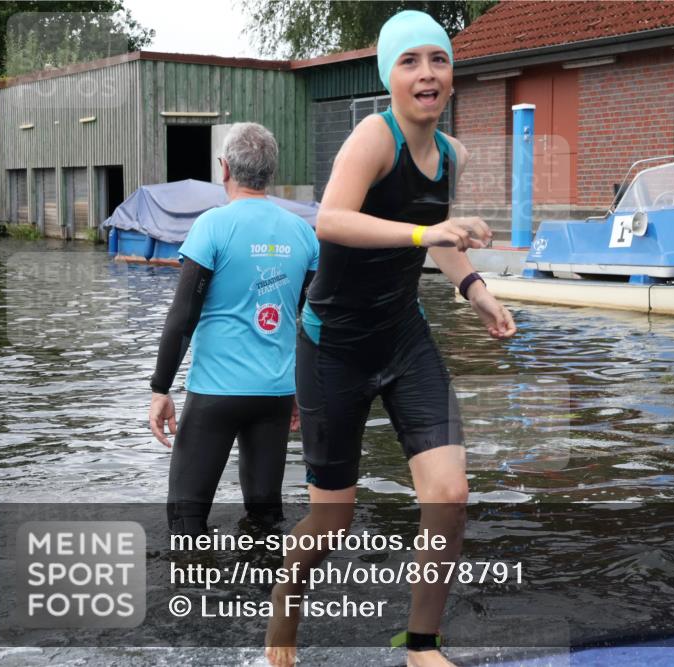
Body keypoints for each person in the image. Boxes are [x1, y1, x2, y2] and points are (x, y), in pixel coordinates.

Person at [264, 10, 516, 667]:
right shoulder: (372, 140)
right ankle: (282, 617)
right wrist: (422, 236)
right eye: (410, 61)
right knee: (332, 522)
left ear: (452, 76)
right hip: (334, 347)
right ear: (391, 76)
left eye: (438, 59)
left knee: (450, 494)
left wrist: (479, 294)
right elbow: (331, 221)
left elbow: (447, 242)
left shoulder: (451, 154)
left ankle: (421, 645)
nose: (427, 73)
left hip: (403, 337)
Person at [149, 122, 320, 536]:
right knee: (266, 520)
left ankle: (192, 596)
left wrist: (160, 389)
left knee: (186, 521)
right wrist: (298, 390)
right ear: (271, 171)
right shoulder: (303, 233)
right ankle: (268, 595)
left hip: (216, 395)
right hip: (275, 396)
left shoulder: (212, 225)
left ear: (223, 169)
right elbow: (300, 319)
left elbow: (182, 316)